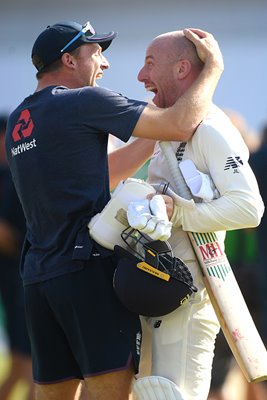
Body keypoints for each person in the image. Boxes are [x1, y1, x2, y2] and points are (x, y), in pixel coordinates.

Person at [4, 19, 223, 400]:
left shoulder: (21, 121)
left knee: (52, 394)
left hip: (39, 278)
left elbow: (99, 174)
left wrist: (151, 136)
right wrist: (214, 69)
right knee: (111, 392)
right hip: (85, 272)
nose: (104, 64)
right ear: (70, 59)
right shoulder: (82, 101)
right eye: (96, 52)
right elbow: (182, 122)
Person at [132, 30, 264, 400]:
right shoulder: (169, 126)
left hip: (189, 297)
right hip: (156, 288)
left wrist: (181, 214)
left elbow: (249, 207)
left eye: (150, 63)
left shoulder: (210, 128)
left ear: (182, 69)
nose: (141, 76)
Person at [0, 115, 34, 400]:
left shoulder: (19, 174)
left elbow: (18, 238)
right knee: (26, 366)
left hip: (26, 279)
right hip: (15, 283)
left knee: (31, 367)